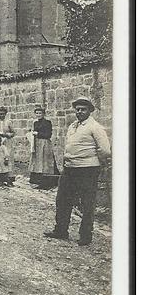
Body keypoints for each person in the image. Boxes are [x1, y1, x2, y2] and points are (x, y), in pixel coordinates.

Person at [44, 96, 111, 246]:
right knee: (62, 200)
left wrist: (96, 163)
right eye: (77, 109)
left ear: (90, 111)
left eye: (83, 109)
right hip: (70, 169)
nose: (80, 112)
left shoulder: (95, 127)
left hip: (87, 170)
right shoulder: (72, 126)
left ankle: (85, 236)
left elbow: (105, 150)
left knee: (87, 203)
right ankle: (61, 230)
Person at [28, 106, 59, 189]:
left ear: (43, 114)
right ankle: (37, 181)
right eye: (37, 113)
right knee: (37, 162)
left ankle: (48, 182)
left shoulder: (47, 122)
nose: (38, 115)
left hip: (45, 143)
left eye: (40, 113)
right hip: (37, 144)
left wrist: (37, 134)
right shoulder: (35, 123)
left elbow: (48, 134)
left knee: (45, 162)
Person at [0, 107, 16, 185]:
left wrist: (6, 135)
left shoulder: (9, 122)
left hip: (7, 142)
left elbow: (13, 133)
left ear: (5, 114)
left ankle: (9, 178)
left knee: (7, 158)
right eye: (0, 114)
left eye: (3, 114)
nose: (2, 115)